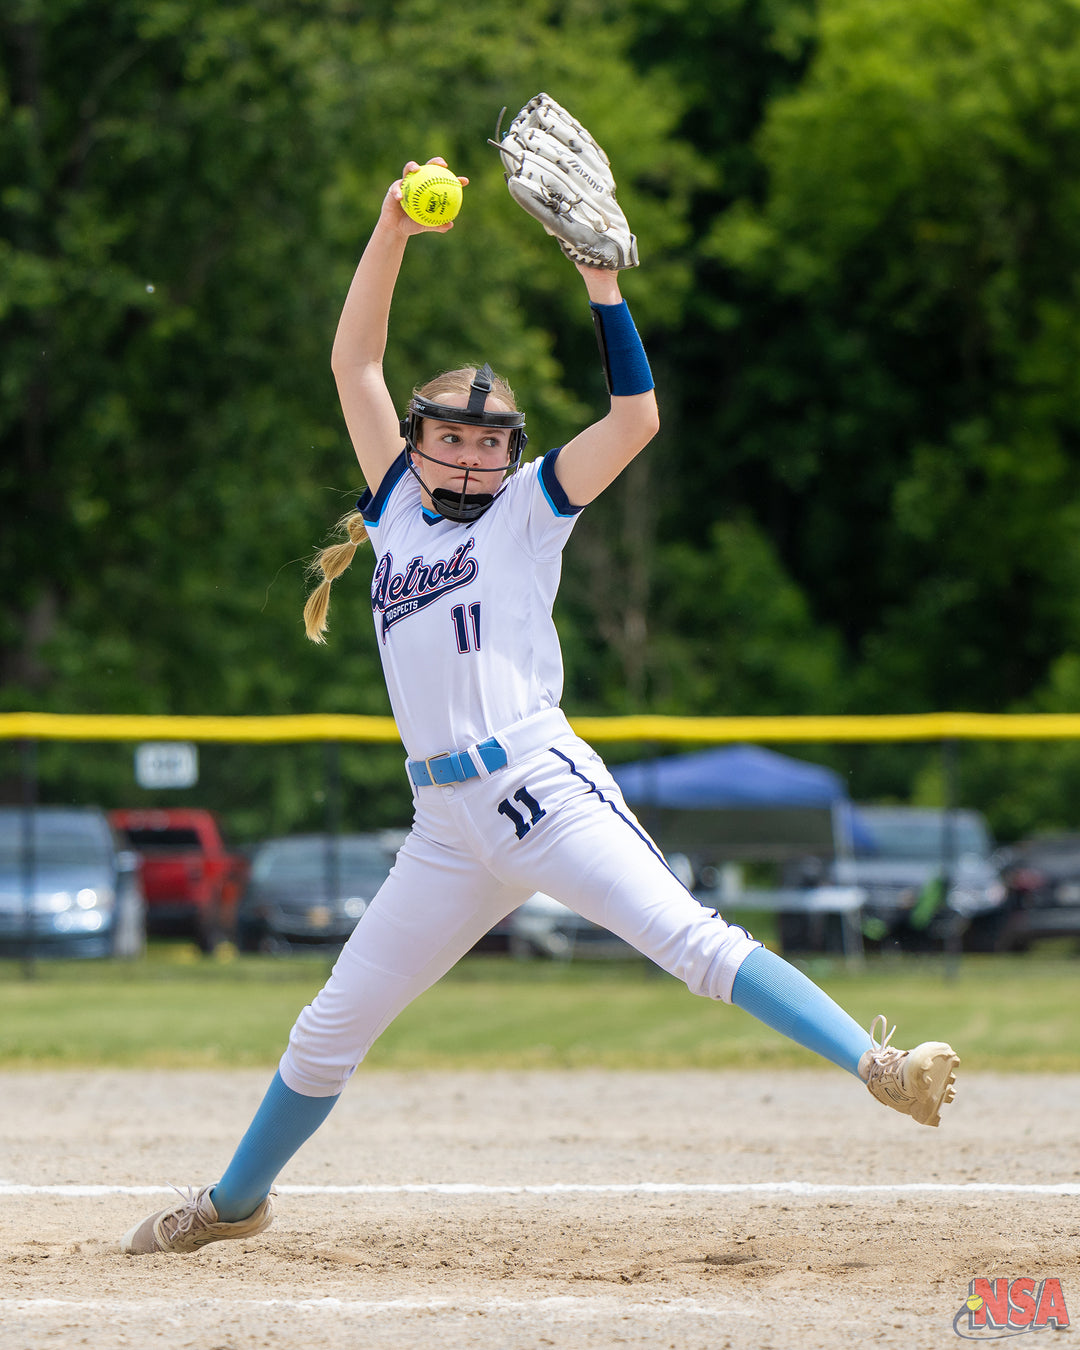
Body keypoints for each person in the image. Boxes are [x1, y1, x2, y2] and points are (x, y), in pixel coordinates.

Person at [119, 153, 959, 1257]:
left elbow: (637, 417)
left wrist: (603, 288)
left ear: (511, 452)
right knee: (329, 1028)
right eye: (448, 437)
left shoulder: (529, 510)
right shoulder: (398, 513)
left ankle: (880, 1066)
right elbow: (354, 357)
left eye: (486, 440)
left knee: (692, 946)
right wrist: (390, 229)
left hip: (535, 790)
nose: (466, 454)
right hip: (443, 830)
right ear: (416, 445)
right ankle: (233, 1203)